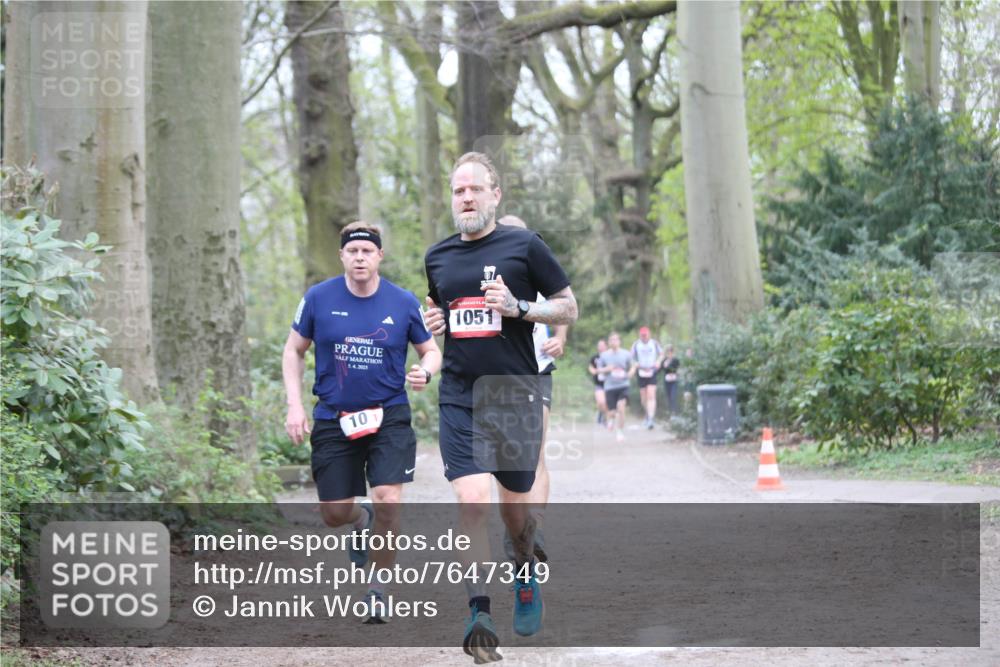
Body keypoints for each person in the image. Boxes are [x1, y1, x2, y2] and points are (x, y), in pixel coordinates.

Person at [423, 152, 578, 662]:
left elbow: (567, 306)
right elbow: (442, 310)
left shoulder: (525, 246)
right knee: (471, 500)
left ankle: (525, 569)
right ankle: (478, 610)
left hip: (514, 393)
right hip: (461, 396)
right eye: (457, 190)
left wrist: (520, 308)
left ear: (494, 195)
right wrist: (437, 325)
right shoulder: (438, 257)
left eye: (474, 189)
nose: (465, 197)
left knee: (516, 513)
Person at [282, 221, 442, 623]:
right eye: (352, 251)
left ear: (379, 256)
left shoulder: (402, 302)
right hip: (334, 417)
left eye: (367, 252)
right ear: (342, 256)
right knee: (334, 513)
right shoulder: (318, 298)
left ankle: (378, 588)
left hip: (389, 415)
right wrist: (295, 406)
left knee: (388, 497)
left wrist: (425, 371)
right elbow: (293, 351)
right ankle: (360, 520)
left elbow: (431, 351)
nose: (359, 258)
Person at [497, 215, 568, 565]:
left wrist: (560, 340)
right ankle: (515, 526)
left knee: (535, 453)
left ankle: (534, 526)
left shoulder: (537, 267)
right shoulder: (487, 273)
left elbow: (564, 307)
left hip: (536, 372)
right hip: (495, 377)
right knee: (505, 461)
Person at [599, 332, 633, 442]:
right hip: (610, 387)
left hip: (623, 385)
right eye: (611, 340)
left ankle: (620, 432)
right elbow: (598, 370)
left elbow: (633, 366)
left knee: (621, 406)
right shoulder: (604, 355)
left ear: (619, 341)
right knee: (612, 412)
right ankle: (611, 420)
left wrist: (630, 373)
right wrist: (607, 369)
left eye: (615, 339)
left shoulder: (626, 354)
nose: (613, 341)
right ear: (609, 342)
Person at [631, 326, 662, 429]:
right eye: (642, 335)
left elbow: (661, 354)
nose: (644, 337)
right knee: (644, 398)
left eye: (646, 335)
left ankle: (651, 419)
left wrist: (658, 361)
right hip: (641, 372)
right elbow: (631, 358)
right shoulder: (636, 344)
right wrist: (635, 364)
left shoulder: (654, 343)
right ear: (640, 335)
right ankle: (647, 415)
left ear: (649, 334)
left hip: (652, 371)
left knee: (651, 395)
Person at [588, 339, 608, 425]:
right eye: (599, 346)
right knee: (601, 402)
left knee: (607, 402)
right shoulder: (595, 357)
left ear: (606, 346)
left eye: (602, 345)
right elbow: (590, 367)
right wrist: (593, 371)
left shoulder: (610, 356)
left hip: (610, 383)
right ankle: (601, 413)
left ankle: (605, 418)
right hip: (599, 383)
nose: (601, 347)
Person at [660, 344, 681, 415]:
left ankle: (674, 412)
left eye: (671, 352)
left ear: (673, 352)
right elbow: (661, 369)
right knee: (668, 396)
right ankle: (670, 411)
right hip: (667, 381)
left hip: (674, 380)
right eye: (668, 352)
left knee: (673, 396)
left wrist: (676, 373)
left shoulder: (676, 360)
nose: (669, 354)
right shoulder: (664, 361)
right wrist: (664, 364)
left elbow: (678, 368)